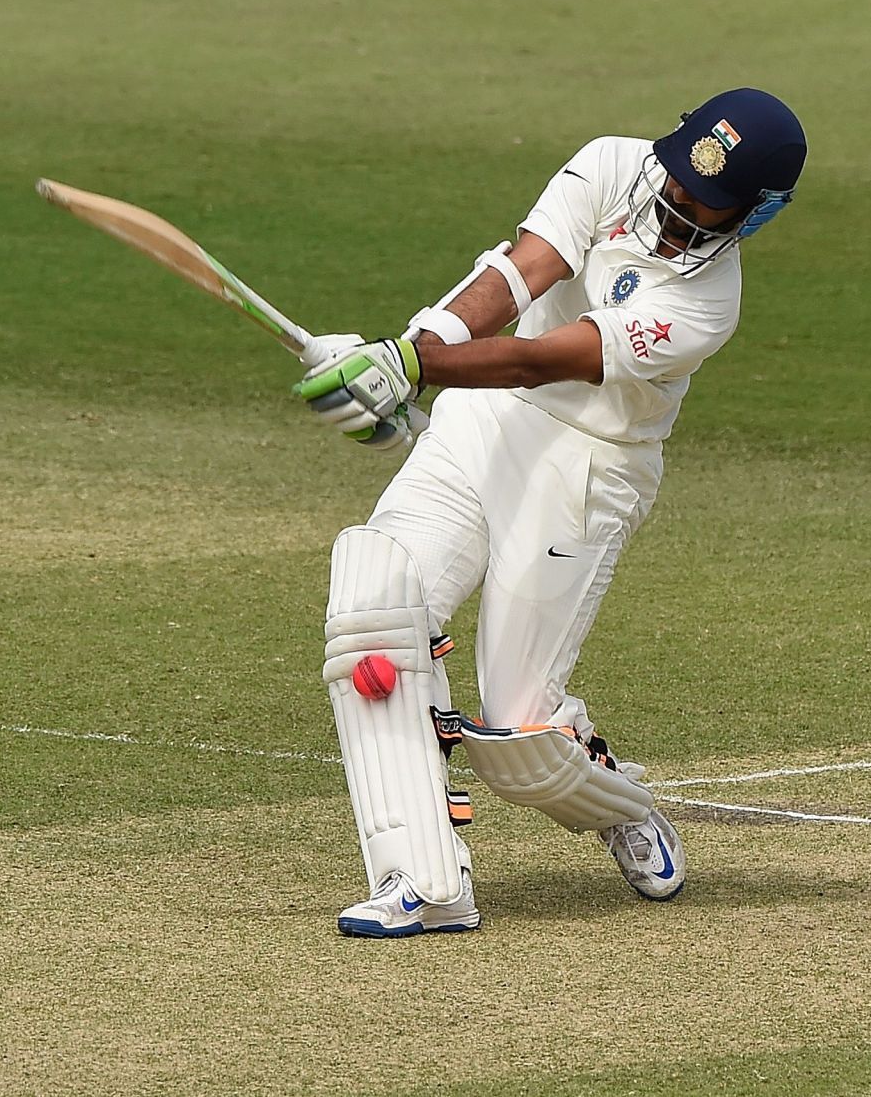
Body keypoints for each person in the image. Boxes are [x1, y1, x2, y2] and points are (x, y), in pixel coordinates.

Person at [293, 88, 806, 937]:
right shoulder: (611, 162)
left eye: (702, 208)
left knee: (518, 741)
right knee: (373, 607)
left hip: (589, 465)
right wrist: (413, 349)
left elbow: (541, 359)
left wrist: (415, 370)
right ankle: (423, 883)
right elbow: (520, 273)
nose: (676, 210)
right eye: (676, 185)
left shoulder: (706, 305)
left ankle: (621, 804)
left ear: (755, 215)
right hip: (482, 425)